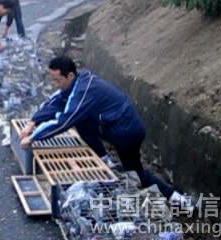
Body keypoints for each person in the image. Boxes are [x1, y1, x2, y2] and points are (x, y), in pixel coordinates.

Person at [19, 56, 193, 211]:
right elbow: (56, 100)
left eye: (57, 81)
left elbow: (63, 121)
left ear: (70, 75)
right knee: (82, 120)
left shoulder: (84, 90)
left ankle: (178, 200)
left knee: (135, 173)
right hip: (114, 126)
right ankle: (105, 160)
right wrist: (33, 122)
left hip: (127, 132)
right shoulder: (78, 81)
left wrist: (34, 138)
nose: (55, 85)